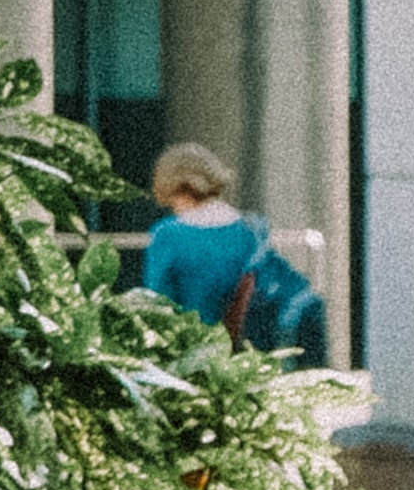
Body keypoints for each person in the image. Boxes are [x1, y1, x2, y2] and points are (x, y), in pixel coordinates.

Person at [140, 143, 331, 367]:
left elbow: (156, 304)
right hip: (246, 356)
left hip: (192, 358)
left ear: (171, 186)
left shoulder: (168, 235)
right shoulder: (250, 229)